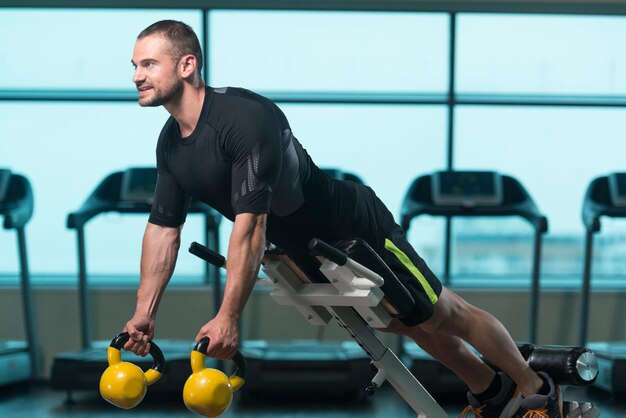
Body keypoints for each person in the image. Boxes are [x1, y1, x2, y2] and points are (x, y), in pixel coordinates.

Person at [124, 20, 563, 418]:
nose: (136, 76)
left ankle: (537, 391)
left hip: (354, 228)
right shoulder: (170, 145)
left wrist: (227, 317)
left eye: (147, 64)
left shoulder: (244, 119)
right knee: (411, 324)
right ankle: (491, 393)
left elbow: (250, 226)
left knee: (445, 313)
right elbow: (163, 231)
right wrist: (144, 313)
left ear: (186, 65)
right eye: (134, 65)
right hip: (305, 249)